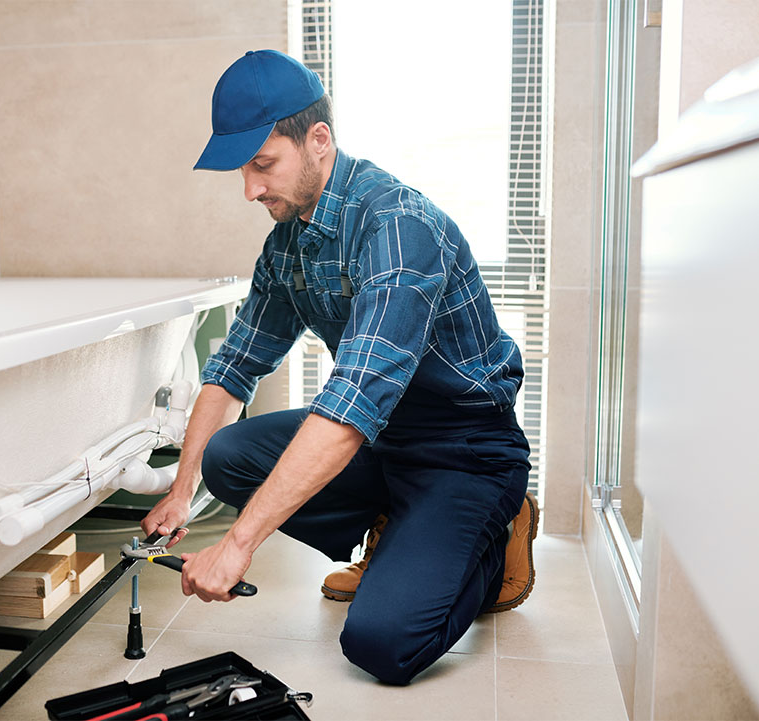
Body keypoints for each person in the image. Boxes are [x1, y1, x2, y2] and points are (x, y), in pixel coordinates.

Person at [142, 49, 537, 685]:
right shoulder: (290, 241)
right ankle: (395, 527)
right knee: (227, 458)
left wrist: (238, 544)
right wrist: (184, 490)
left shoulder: (398, 227)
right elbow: (234, 367)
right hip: (384, 439)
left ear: (318, 140)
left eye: (262, 164)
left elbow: (352, 401)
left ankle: (499, 529)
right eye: (243, 168)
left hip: (461, 448)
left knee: (383, 646)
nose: (250, 188)